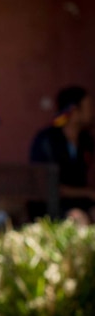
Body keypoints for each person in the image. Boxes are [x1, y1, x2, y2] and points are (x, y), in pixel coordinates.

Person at [29, 85, 95, 225]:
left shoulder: (86, 141)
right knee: (78, 218)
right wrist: (88, 192)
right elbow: (48, 185)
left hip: (82, 204)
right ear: (74, 111)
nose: (92, 112)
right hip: (51, 207)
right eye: (89, 106)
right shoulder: (47, 140)